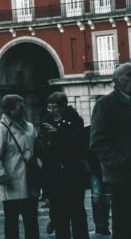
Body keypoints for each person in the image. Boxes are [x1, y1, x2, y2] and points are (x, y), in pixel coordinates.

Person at [90, 63, 131, 239]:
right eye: (129, 75)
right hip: (121, 178)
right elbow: (98, 142)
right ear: (117, 82)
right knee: (124, 228)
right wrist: (121, 163)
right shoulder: (105, 105)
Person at [37, 92, 89, 239]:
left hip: (72, 171)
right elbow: (41, 141)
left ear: (63, 106)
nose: (52, 111)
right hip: (54, 173)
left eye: (55, 107)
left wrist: (58, 133)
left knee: (77, 211)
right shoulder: (46, 120)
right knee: (58, 211)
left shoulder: (74, 119)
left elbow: (79, 141)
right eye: (49, 108)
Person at [0, 94, 40, 239]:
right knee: (12, 222)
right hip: (12, 182)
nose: (23, 109)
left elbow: (37, 151)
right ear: (10, 110)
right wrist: (1, 176)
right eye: (20, 106)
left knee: (32, 220)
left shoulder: (30, 127)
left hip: (30, 180)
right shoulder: (1, 128)